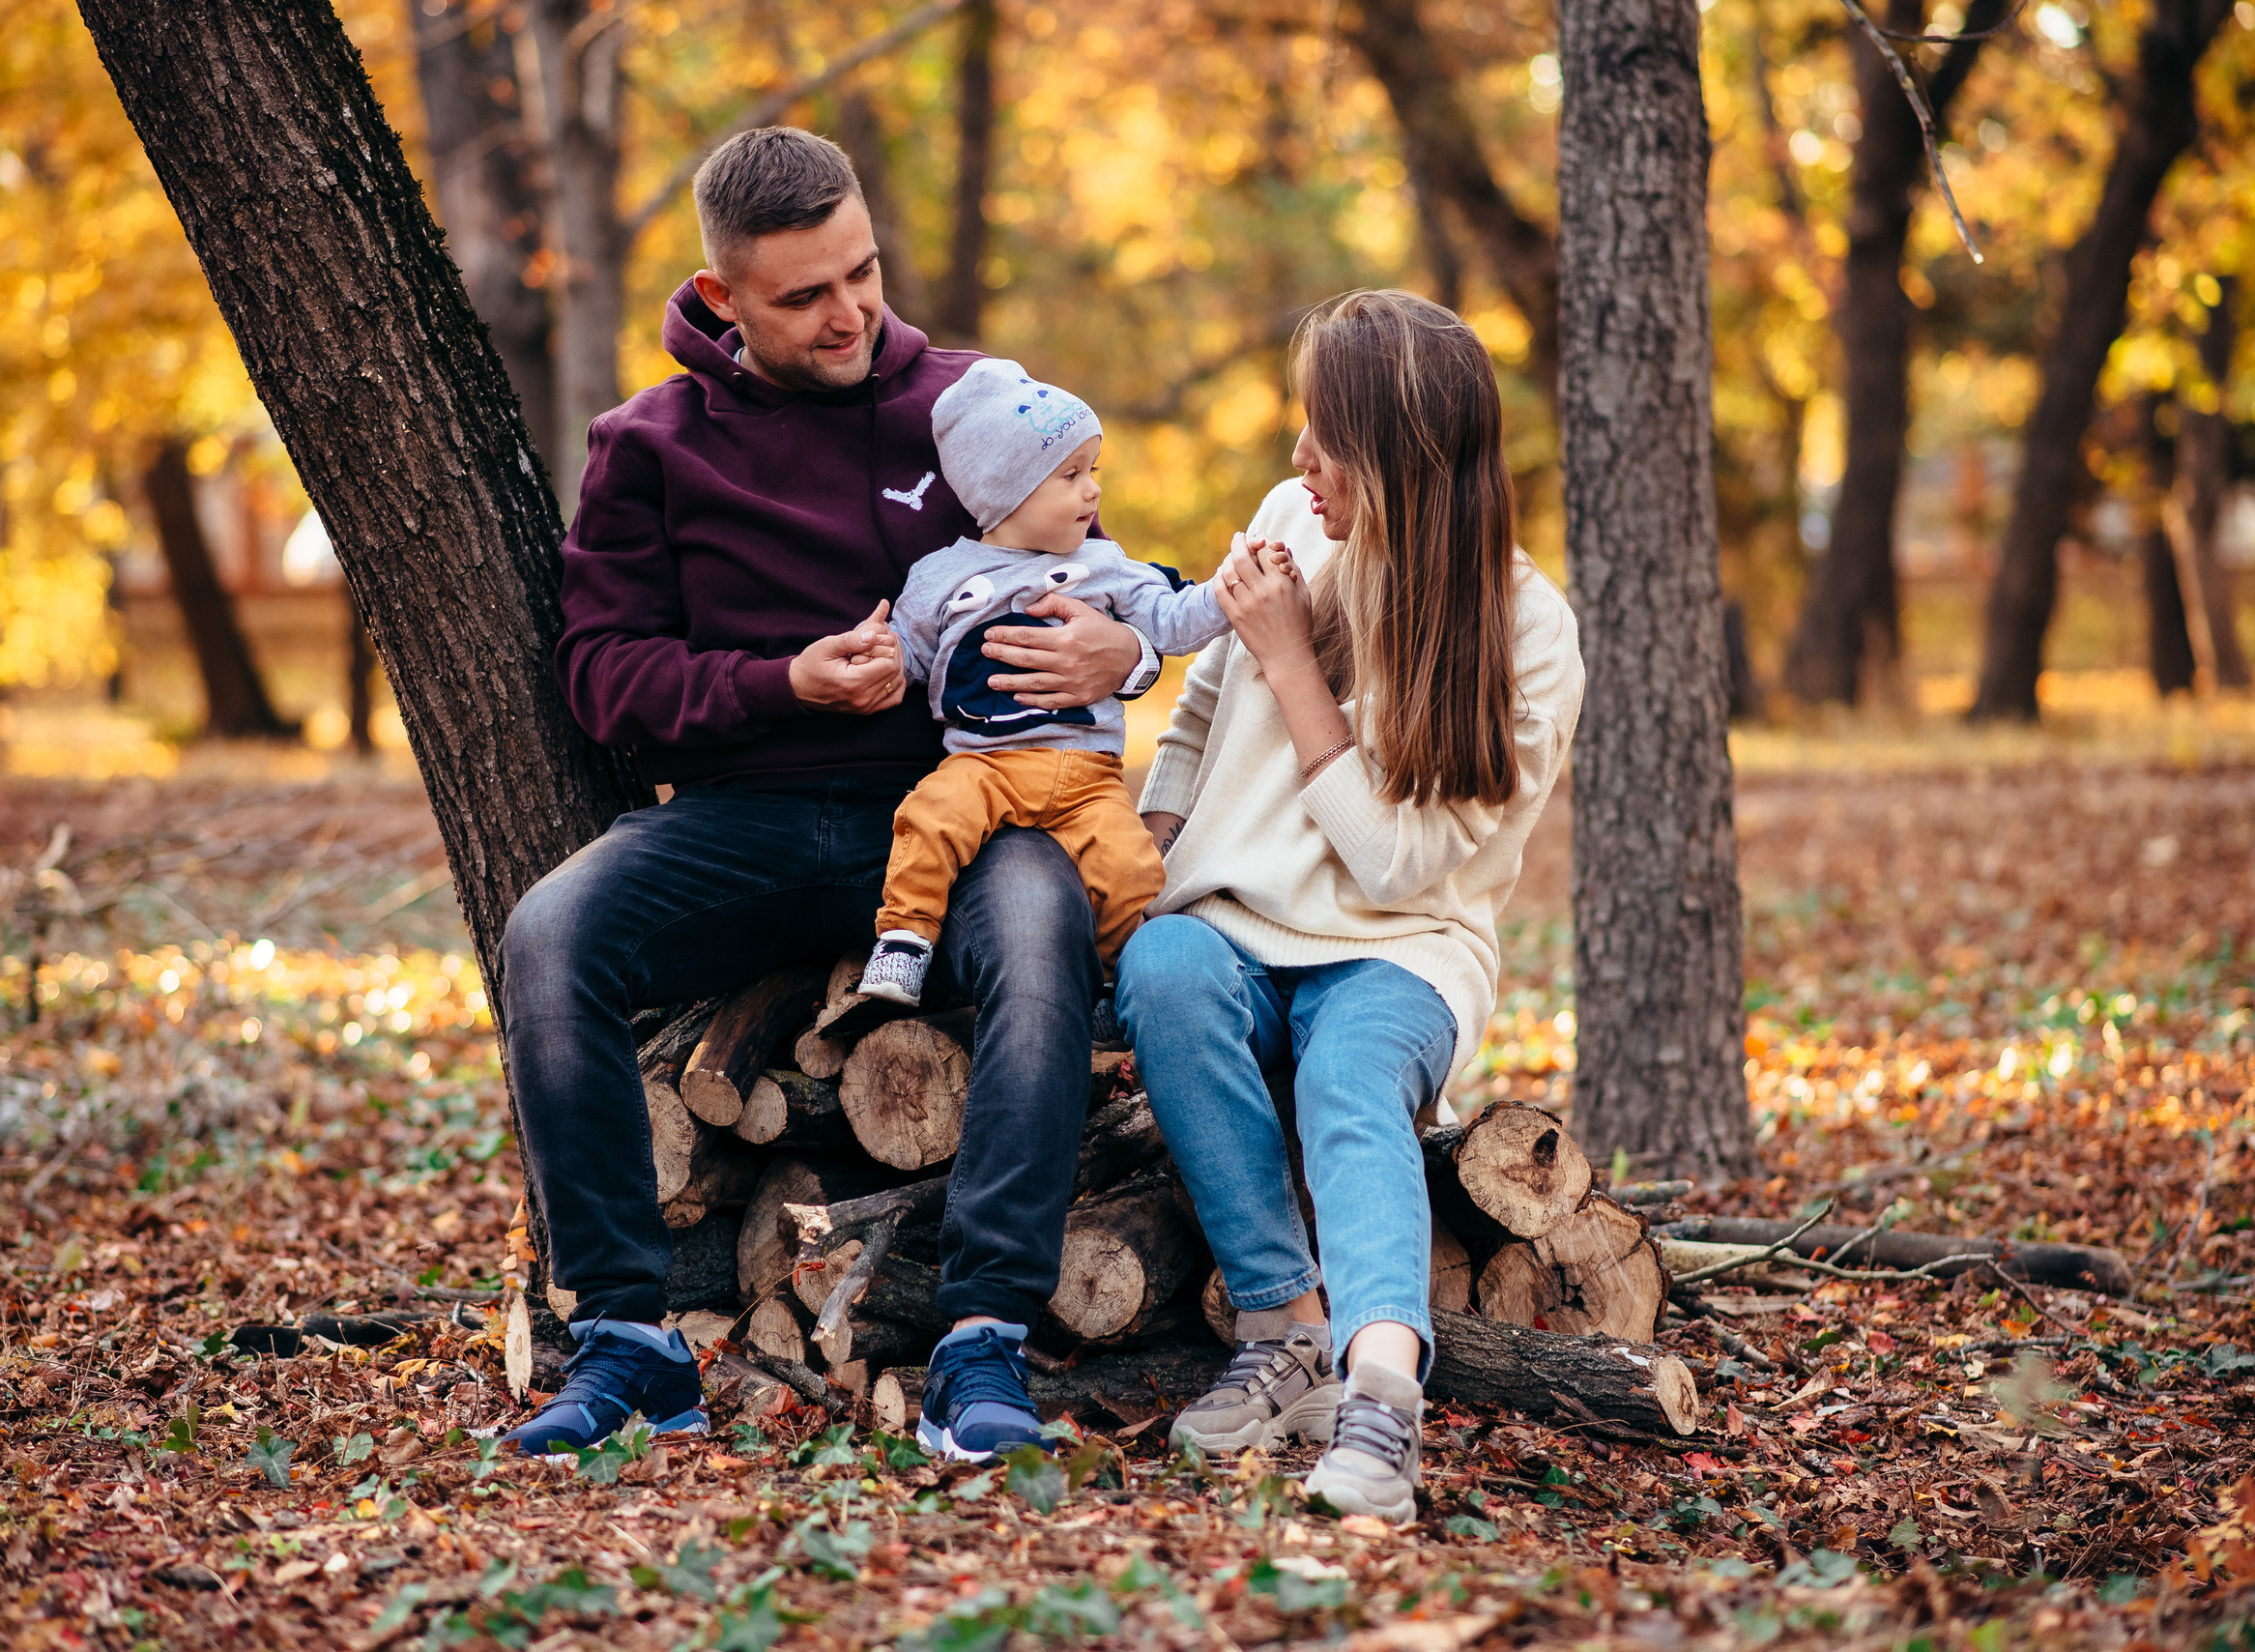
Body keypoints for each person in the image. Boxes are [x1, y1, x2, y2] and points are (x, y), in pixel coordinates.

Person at [496, 127, 1168, 1463]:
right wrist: (779, 684)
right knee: (550, 937)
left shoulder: (976, 400)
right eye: (804, 295)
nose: (850, 312)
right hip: (743, 819)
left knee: (1042, 936)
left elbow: (1107, 580)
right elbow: (600, 672)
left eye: (861, 272)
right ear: (725, 297)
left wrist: (1127, 653)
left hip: (967, 803)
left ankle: (982, 1339)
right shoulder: (651, 444)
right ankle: (626, 1343)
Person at [1113, 290, 1584, 1522]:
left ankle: (1379, 1398)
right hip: (1230, 924)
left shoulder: (1528, 633)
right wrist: (1145, 859)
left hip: (1401, 950)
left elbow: (1390, 866)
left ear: (1398, 461)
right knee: (1162, 967)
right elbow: (1200, 713)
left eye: (1325, 436)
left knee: (1345, 1081)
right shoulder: (1288, 518)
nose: (1296, 460)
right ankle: (1279, 1330)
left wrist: (1288, 657)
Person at [846, 360, 1230, 1011]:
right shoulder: (943, 575)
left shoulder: (1104, 566)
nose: (1092, 494)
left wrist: (1231, 590)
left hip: (1089, 778)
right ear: (1007, 491)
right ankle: (904, 943)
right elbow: (910, 651)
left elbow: (1173, 620)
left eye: (1094, 471)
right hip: (983, 765)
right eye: (1071, 476)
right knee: (929, 818)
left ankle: (1124, 989)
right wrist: (880, 655)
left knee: (1133, 872)